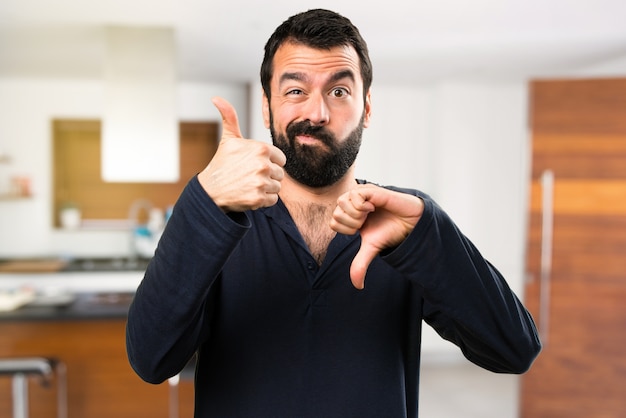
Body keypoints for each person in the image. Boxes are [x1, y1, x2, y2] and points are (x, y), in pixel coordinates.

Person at [126, 8, 541, 417]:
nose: (317, 112)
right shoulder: (219, 219)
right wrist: (202, 202)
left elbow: (514, 350)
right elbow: (152, 360)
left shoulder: (404, 223)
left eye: (339, 91)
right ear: (268, 108)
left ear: (367, 108)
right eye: (295, 91)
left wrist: (427, 236)